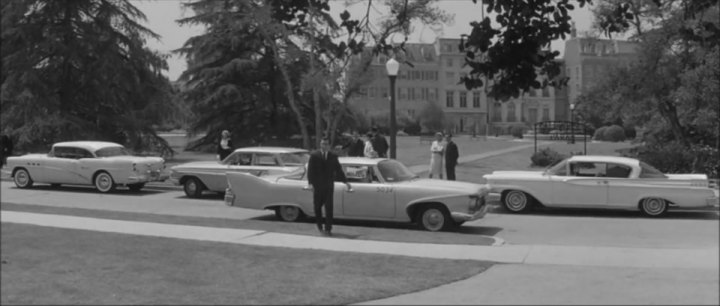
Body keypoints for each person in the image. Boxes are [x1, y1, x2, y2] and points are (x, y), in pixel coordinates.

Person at [307, 138, 352, 237]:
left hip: (328, 186)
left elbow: (338, 170)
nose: (324, 145)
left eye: (326, 144)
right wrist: (310, 183)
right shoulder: (314, 156)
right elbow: (310, 171)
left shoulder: (333, 156)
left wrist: (346, 182)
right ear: (320, 144)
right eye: (322, 144)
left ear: (329, 145)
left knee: (329, 207)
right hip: (318, 186)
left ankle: (328, 228)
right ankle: (319, 226)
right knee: (317, 207)